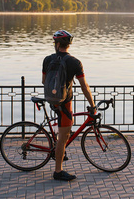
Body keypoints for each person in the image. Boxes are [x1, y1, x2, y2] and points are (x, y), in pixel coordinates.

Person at [42, 30, 96, 181]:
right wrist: (92, 105)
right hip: (65, 104)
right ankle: (58, 171)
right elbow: (84, 86)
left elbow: (43, 81)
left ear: (57, 44)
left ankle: (60, 150)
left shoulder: (47, 59)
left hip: (53, 100)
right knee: (62, 137)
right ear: (68, 45)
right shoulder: (75, 62)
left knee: (63, 134)